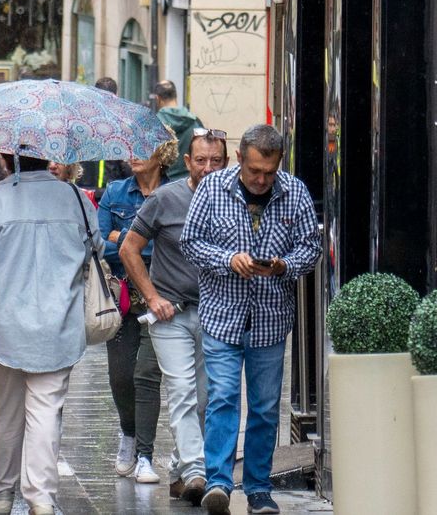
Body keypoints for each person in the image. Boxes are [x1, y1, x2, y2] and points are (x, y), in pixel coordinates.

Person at [180, 125, 320, 515]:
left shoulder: (295, 193)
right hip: (222, 315)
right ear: (240, 158)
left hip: (270, 318)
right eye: (255, 170)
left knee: (263, 406)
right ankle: (219, 482)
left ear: (279, 164)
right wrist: (228, 259)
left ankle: (259, 488)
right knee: (223, 396)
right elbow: (190, 243)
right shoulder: (212, 189)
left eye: (269, 172)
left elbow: (310, 249)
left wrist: (282, 266)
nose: (261, 179)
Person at [0, 154, 101, 515]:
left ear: (7, 158)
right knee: (46, 411)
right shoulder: (77, 200)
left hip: (3, 326)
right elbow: (94, 249)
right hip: (59, 325)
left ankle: (3, 494)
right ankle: (40, 498)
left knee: (7, 411)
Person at [119, 129, 230, 506]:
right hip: (172, 315)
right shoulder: (166, 198)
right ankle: (198, 472)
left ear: (226, 163)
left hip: (216, 313)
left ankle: (181, 472)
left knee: (204, 398)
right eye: (200, 160)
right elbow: (129, 247)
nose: (208, 168)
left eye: (216, 161)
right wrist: (151, 297)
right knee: (182, 391)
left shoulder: (234, 200)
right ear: (187, 162)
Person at [98, 143, 176, 484]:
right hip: (122, 296)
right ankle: (128, 433)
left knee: (146, 375)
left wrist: (127, 238)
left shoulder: (174, 193)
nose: (134, 154)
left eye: (144, 148)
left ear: (164, 155)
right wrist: (139, 242)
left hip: (160, 295)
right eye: (131, 147)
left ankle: (145, 455)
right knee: (120, 376)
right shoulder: (115, 192)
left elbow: (173, 246)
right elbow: (100, 242)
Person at [78, 77, 134, 193]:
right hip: (111, 189)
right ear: (115, 96)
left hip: (85, 188)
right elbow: (127, 163)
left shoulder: (82, 120)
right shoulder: (122, 124)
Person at [154, 80, 205, 181]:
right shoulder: (195, 122)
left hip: (163, 183)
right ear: (176, 96)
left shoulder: (153, 125)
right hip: (190, 183)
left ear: (158, 98)